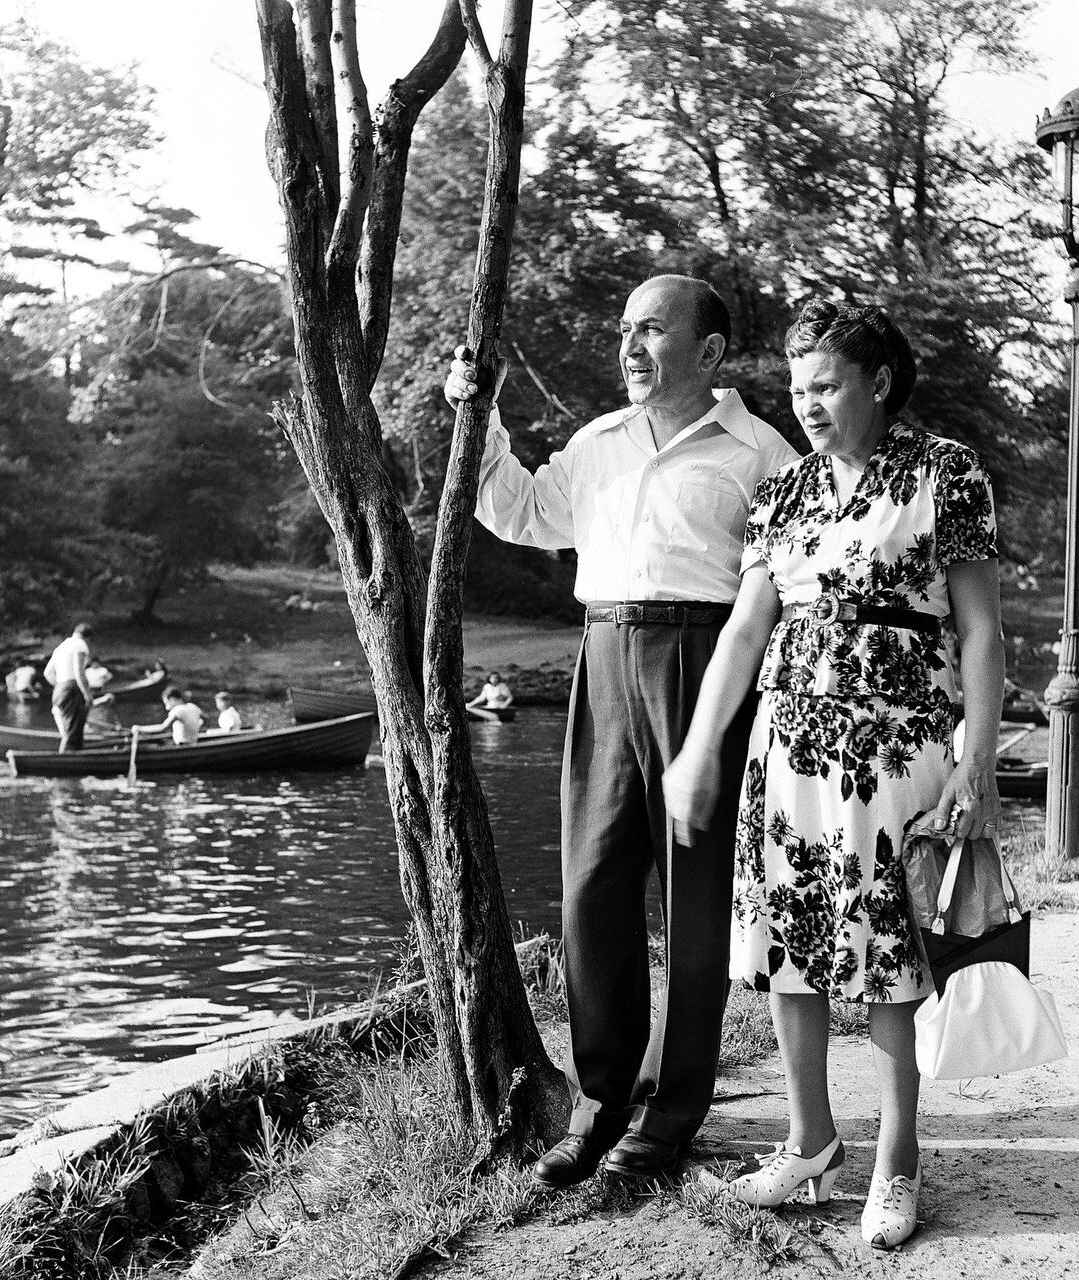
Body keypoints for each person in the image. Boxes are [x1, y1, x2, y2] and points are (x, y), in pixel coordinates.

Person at [662, 301, 1004, 1250]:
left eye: (827, 385)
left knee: (889, 952)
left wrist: (975, 760)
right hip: (787, 748)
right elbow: (742, 633)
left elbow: (980, 630)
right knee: (788, 941)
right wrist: (698, 751)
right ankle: (809, 1144)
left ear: (879, 382)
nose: (808, 403)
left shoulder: (946, 473)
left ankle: (897, 1162)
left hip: (895, 749)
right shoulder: (785, 493)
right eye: (799, 387)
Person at [444, 274, 796, 1187]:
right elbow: (518, 511)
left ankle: (673, 1113)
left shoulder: (762, 453)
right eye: (625, 330)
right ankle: (600, 1105)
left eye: (652, 331)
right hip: (602, 658)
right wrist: (476, 419)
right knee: (590, 885)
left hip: (706, 664)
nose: (630, 348)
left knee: (694, 899)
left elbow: (793, 587)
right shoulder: (597, 445)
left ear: (709, 351)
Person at [43, 623, 95, 752]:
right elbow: (79, 671)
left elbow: (47, 673)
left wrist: (60, 686)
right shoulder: (80, 644)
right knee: (73, 733)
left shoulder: (61, 647)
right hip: (72, 690)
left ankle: (77, 762)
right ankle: (64, 763)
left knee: (72, 731)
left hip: (59, 690)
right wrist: (87, 694)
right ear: (88, 637)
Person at [136, 686, 205, 745]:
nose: (166, 708)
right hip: (193, 742)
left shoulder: (177, 710)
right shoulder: (192, 706)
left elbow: (162, 728)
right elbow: (205, 719)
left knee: (149, 740)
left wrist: (139, 728)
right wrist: (195, 726)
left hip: (181, 745)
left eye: (166, 703)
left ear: (172, 700)